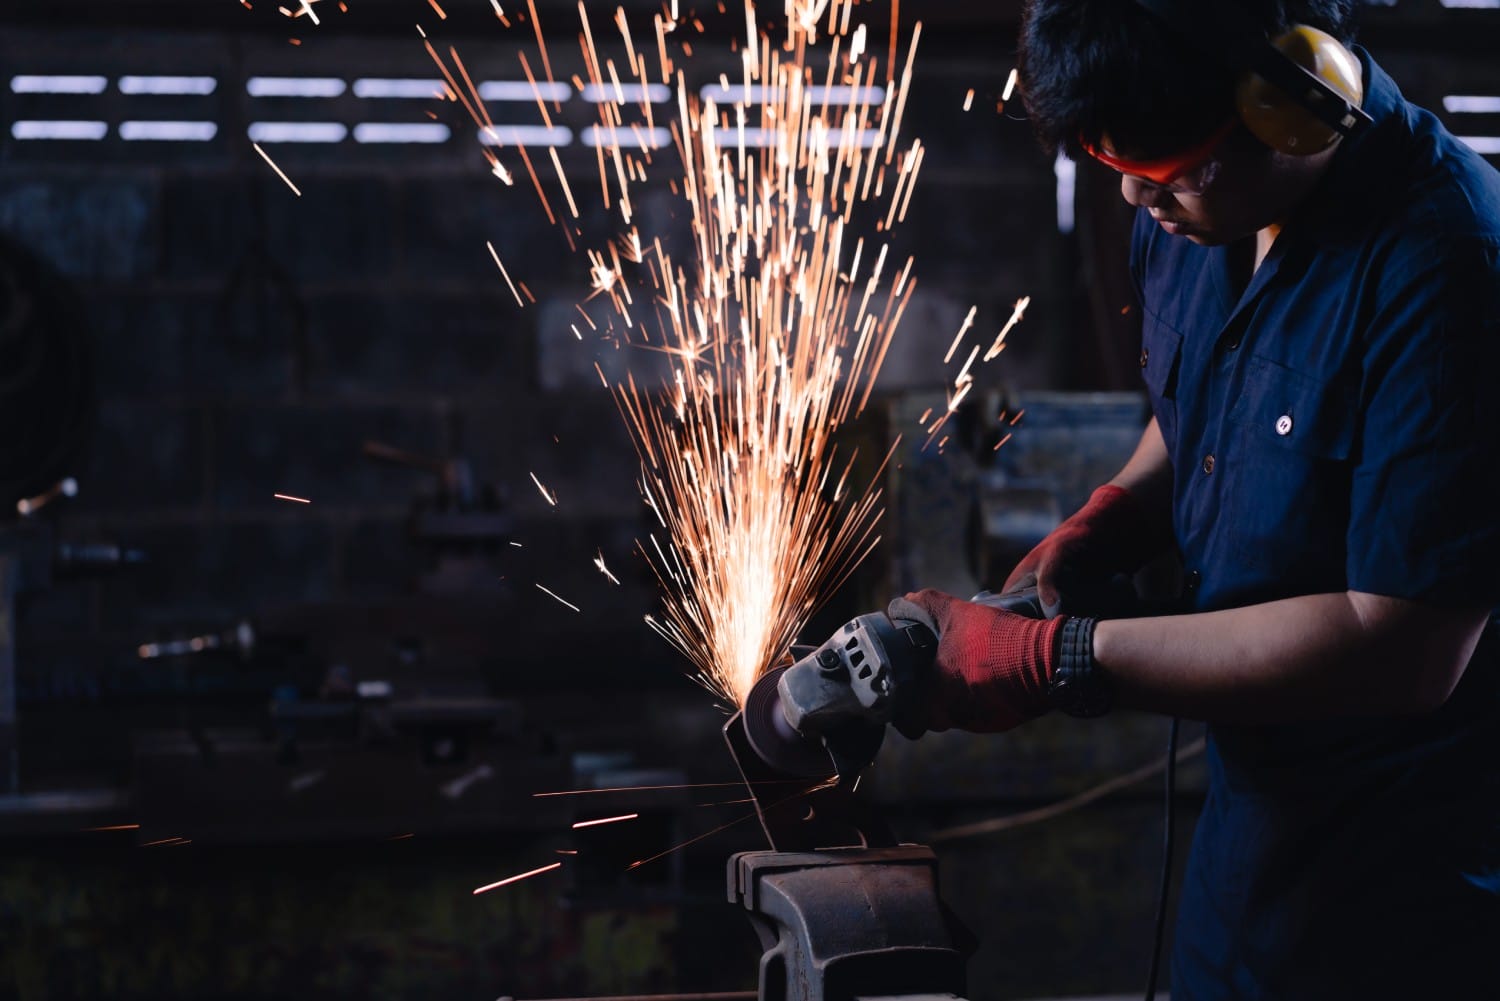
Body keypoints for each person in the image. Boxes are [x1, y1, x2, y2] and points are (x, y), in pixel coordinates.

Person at [887, 1, 1500, 996]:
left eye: (1164, 170)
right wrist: (1120, 505)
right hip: (1243, 861)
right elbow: (1196, 407)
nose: (1134, 196)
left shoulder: (1450, 268)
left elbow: (1406, 646)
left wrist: (1059, 659)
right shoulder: (1193, 211)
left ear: (1295, 100)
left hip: (1406, 900)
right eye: (1109, 162)